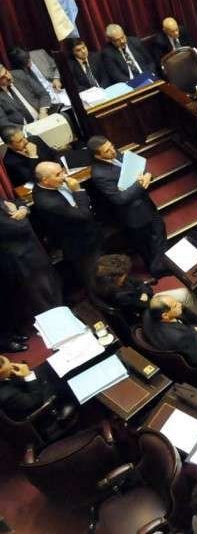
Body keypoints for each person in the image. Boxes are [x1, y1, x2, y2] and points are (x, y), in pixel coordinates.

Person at [88, 135, 168, 277]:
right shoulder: (99, 174)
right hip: (133, 214)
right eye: (107, 151)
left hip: (146, 204)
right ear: (97, 155)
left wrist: (147, 175)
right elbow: (119, 198)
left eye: (112, 146)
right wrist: (139, 184)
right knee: (146, 244)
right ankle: (157, 270)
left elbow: (137, 167)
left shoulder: (116, 153)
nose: (113, 151)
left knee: (159, 232)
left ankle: (161, 265)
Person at [32, 161, 102, 289]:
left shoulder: (52, 184)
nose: (64, 176)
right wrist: (78, 190)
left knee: (101, 269)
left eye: (62, 171)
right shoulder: (48, 202)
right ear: (45, 180)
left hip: (90, 233)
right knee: (92, 276)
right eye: (58, 174)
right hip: (79, 243)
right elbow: (84, 214)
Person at [0, 197, 61, 333]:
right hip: (19, 258)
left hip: (32, 250)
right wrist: (22, 214)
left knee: (51, 285)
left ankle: (61, 313)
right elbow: (20, 228)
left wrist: (22, 209)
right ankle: (56, 328)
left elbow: (18, 201)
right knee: (39, 295)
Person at [0, 356, 74, 435]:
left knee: (45, 368)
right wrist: (28, 375)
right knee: (64, 379)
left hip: (22, 391)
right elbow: (35, 401)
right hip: (37, 404)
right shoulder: (6, 395)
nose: (11, 364)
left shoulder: (4, 378)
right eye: (8, 364)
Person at [0, 63, 50, 128]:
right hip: (22, 129)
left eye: (6, 72)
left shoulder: (19, 74)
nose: (8, 77)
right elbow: (3, 122)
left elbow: (43, 94)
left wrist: (43, 112)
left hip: (42, 116)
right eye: (3, 77)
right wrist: (25, 129)